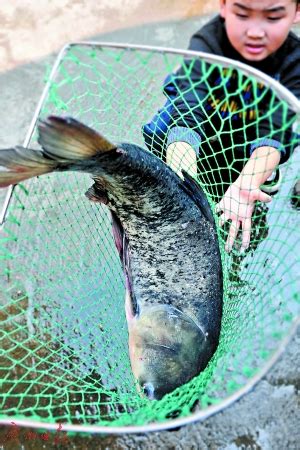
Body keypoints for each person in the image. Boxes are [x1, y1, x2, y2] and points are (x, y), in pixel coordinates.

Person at [143, 0, 300, 252]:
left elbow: (274, 131)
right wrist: (184, 191)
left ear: (296, 13)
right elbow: (188, 114)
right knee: (165, 128)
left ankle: (258, 173)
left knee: (275, 147)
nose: (255, 31)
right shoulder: (207, 43)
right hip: (206, 125)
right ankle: (183, 171)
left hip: (253, 130)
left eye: (272, 18)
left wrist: (245, 186)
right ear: (224, 6)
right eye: (242, 14)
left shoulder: (294, 60)